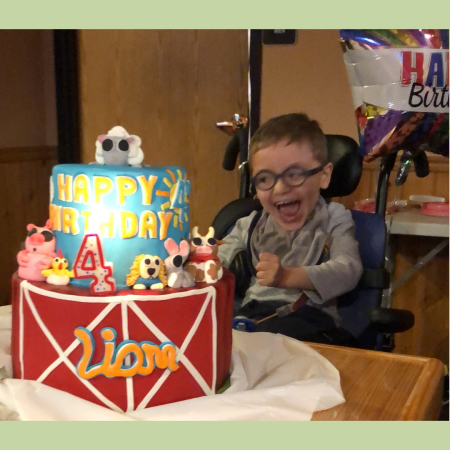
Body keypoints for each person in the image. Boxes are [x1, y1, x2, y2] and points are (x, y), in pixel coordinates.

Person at [218, 113, 363, 345]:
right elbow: (218, 258)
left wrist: (287, 276)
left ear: (324, 176)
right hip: (252, 318)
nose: (279, 189)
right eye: (265, 179)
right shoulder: (250, 223)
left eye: (294, 175)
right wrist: (199, 262)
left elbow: (349, 269)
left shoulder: (334, 218)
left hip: (311, 321)